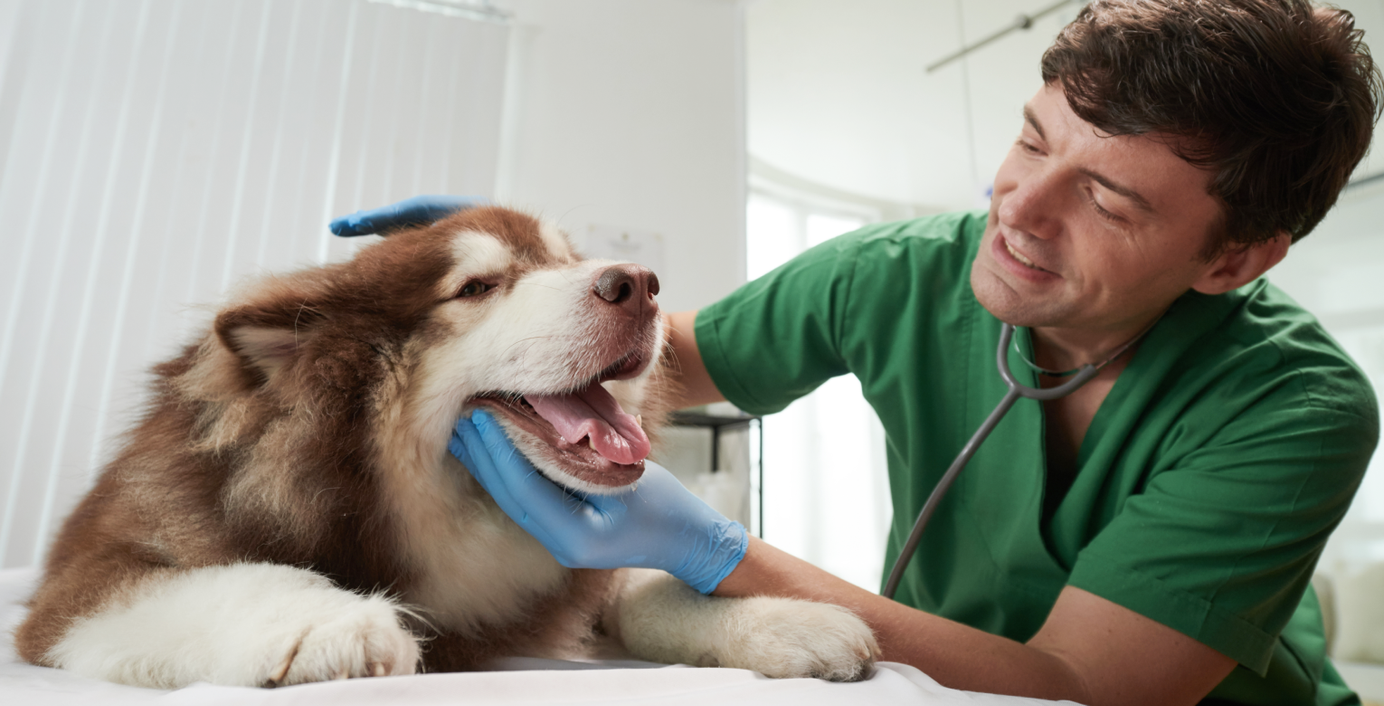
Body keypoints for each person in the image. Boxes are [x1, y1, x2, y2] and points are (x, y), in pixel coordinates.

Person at [331, 1, 1383, 704]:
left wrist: (717, 553)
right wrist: (522, 305)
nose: (1016, 210)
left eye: (1102, 196)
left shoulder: (1294, 407)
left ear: (1234, 256)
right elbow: (681, 359)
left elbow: (1085, 684)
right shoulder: (903, 273)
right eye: (1031, 138)